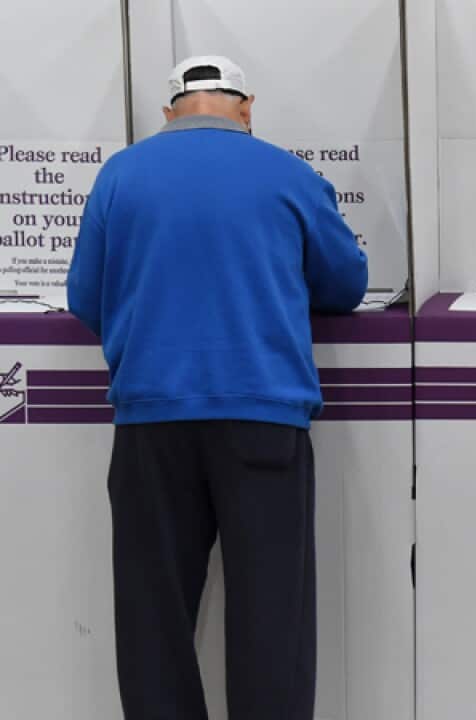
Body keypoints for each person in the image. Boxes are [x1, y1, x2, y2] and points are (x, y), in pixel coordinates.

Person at [67, 55, 368, 719]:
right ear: (246, 106)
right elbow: (346, 286)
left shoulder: (120, 175)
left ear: (169, 111)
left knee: (154, 621)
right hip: (264, 419)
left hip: (150, 422)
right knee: (272, 620)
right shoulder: (290, 174)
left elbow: (85, 297)